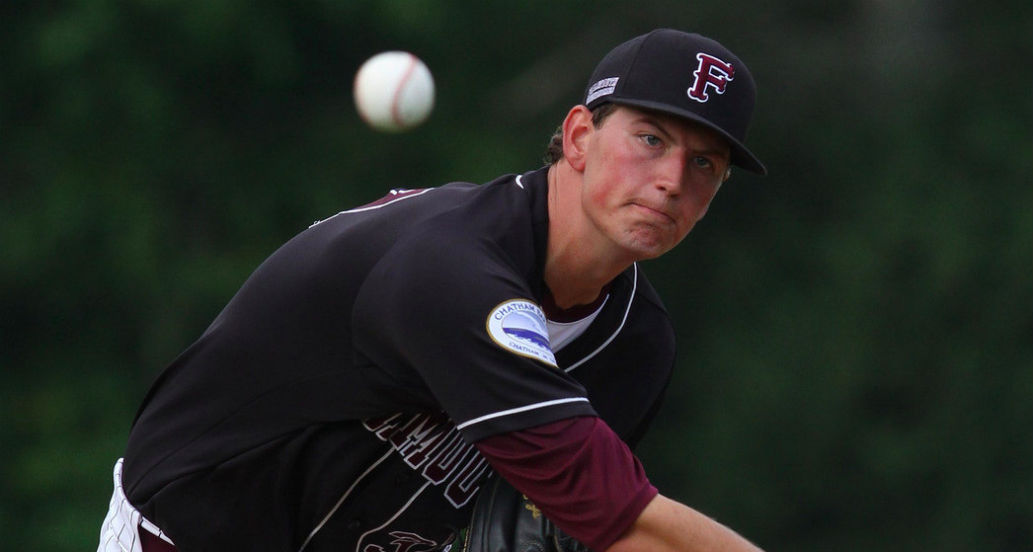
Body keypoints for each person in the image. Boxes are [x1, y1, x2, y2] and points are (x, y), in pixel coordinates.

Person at [98, 28, 768, 552]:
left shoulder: (634, 344)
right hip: (183, 536)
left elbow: (574, 528)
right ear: (577, 137)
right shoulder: (449, 266)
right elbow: (612, 511)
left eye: (703, 162)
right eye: (650, 139)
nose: (672, 178)